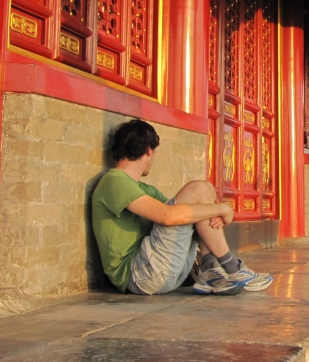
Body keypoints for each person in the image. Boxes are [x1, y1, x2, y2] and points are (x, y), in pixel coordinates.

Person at [92, 119, 272, 296]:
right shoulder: (114, 181)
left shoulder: (144, 189)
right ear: (148, 150)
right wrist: (223, 209)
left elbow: (184, 214)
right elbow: (167, 216)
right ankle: (232, 266)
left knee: (203, 193)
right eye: (155, 153)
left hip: (164, 270)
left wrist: (210, 211)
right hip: (140, 274)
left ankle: (208, 269)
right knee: (198, 190)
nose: (153, 160)